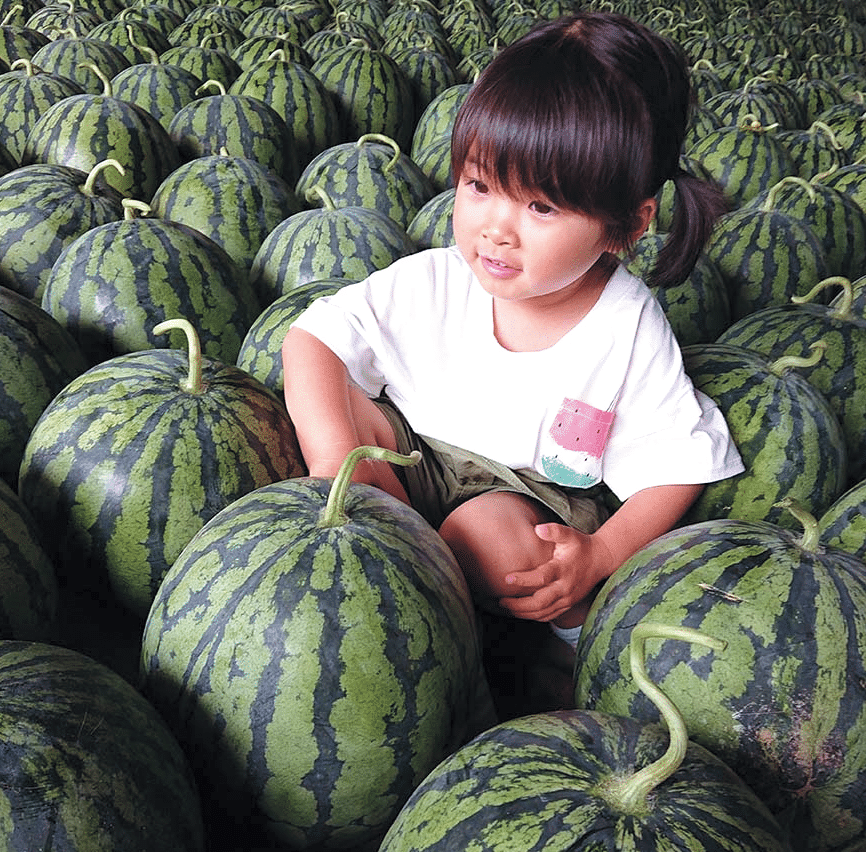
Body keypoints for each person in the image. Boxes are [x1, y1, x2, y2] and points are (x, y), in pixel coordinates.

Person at [281, 12, 744, 677]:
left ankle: (553, 648)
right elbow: (311, 340)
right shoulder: (433, 279)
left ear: (625, 225)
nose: (496, 229)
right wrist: (334, 462)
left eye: (541, 207)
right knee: (339, 420)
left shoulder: (626, 326)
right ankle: (397, 561)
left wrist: (601, 555)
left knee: (488, 541)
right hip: (413, 457)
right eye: (479, 186)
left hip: (524, 496)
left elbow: (681, 464)